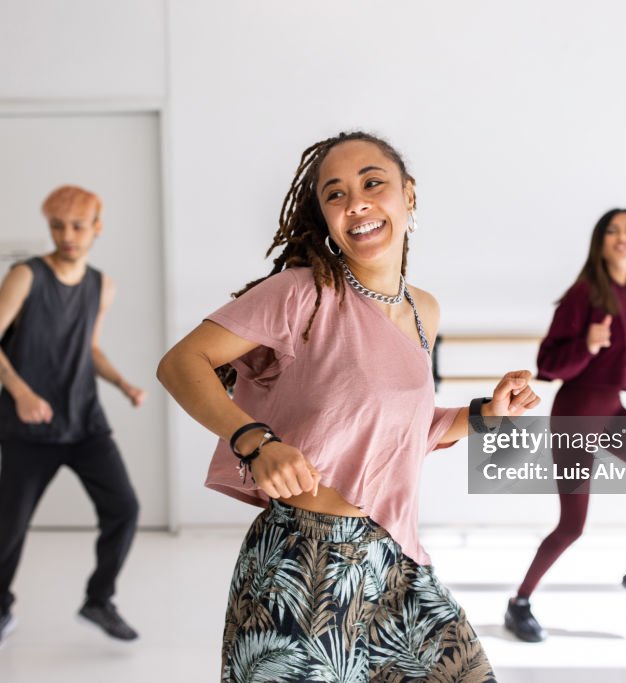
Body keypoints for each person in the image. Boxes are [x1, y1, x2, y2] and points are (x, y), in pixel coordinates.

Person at [158, 131, 539, 680]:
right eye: (334, 194)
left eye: (372, 183)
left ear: (409, 196)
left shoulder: (423, 310)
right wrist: (255, 440)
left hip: (394, 563)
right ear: (325, 216)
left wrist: (485, 413)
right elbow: (181, 363)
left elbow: (398, 431)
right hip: (302, 566)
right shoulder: (301, 294)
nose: (355, 201)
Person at [504, 208, 626, 643]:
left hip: (612, 413)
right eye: (613, 230)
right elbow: (549, 365)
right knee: (572, 527)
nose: (622, 237)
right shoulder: (583, 294)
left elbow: (625, 376)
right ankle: (519, 603)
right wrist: (587, 345)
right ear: (599, 241)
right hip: (575, 416)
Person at [0, 185, 144, 654]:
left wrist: (123, 383)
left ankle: (99, 600)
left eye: (77, 226)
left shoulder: (101, 284)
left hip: (85, 420)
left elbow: (89, 348)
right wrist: (22, 393)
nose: (67, 235)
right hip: (28, 425)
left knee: (124, 509)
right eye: (57, 226)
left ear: (96, 227)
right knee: (10, 523)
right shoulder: (25, 276)